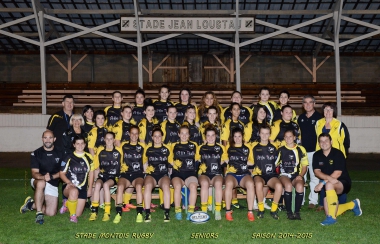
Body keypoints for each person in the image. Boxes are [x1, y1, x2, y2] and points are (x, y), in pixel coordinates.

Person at [313, 133, 362, 226]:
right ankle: (352, 204)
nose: (324, 143)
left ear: (331, 142)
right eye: (321, 141)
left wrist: (322, 182)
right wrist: (327, 179)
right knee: (329, 211)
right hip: (329, 182)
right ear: (319, 143)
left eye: (326, 141)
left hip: (342, 182)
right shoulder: (317, 155)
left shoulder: (338, 154)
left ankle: (332, 219)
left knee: (329, 184)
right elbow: (317, 172)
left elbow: (337, 174)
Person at [20, 131, 63, 224]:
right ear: (42, 139)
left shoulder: (60, 153)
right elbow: (34, 173)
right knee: (41, 183)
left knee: (51, 213)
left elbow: (63, 173)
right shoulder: (35, 153)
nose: (48, 140)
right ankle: (39, 213)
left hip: (53, 182)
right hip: (38, 180)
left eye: (50, 138)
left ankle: (31, 204)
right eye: (45, 138)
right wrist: (43, 177)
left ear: (54, 139)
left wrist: (51, 177)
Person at [113, 125, 146, 223]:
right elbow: (116, 156)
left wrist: (146, 170)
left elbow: (145, 161)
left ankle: (139, 213)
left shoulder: (142, 146)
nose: (134, 135)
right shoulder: (123, 145)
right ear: (129, 134)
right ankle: (118, 213)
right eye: (132, 133)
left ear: (139, 134)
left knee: (139, 186)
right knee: (119, 187)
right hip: (126, 174)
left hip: (138, 174)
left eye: (136, 133)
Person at [59, 135, 94, 223]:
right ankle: (72, 217)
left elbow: (91, 173)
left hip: (82, 188)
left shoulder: (89, 157)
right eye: (77, 144)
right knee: (74, 192)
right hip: (70, 187)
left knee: (79, 213)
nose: (80, 145)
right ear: (74, 145)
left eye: (82, 143)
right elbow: (61, 173)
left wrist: (89, 189)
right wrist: (68, 182)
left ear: (85, 144)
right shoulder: (69, 157)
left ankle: (66, 204)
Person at [275, 129, 308, 220]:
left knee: (300, 186)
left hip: (296, 175)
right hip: (284, 175)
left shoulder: (301, 149)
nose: (288, 138)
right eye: (286, 136)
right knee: (288, 185)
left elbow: (305, 166)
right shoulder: (281, 150)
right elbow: (275, 164)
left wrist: (300, 175)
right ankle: (289, 212)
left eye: (290, 136)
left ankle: (297, 212)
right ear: (284, 138)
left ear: (294, 137)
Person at [89, 132, 122, 222]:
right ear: (104, 140)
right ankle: (94, 211)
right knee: (97, 185)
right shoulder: (100, 150)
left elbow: (122, 164)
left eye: (111, 139)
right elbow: (96, 166)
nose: (109, 141)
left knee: (106, 185)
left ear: (114, 140)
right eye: (107, 139)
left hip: (113, 177)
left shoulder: (119, 150)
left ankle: (107, 212)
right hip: (103, 175)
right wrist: (97, 175)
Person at [251, 126, 283, 220]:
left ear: (269, 135)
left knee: (279, 186)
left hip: (271, 174)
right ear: (259, 134)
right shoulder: (254, 146)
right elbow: (250, 161)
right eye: (262, 133)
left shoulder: (275, 146)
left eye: (267, 133)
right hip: (259, 174)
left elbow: (279, 161)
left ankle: (274, 210)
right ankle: (261, 209)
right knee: (258, 184)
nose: (264, 135)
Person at [224, 128, 255, 221]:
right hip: (232, 173)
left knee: (250, 184)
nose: (237, 139)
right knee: (229, 184)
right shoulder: (229, 146)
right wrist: (228, 160)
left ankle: (250, 212)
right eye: (235, 137)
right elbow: (224, 158)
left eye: (239, 136)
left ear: (242, 137)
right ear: (232, 137)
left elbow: (252, 162)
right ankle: (228, 211)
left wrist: (243, 162)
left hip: (244, 174)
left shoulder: (247, 147)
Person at [297, 95, 322, 209]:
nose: (307, 104)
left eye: (310, 102)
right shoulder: (300, 118)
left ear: (314, 104)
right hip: (302, 152)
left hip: (314, 152)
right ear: (303, 105)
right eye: (305, 102)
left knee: (314, 176)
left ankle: (313, 200)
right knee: (301, 176)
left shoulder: (319, 118)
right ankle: (300, 200)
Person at [170, 126, 200, 221]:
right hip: (177, 173)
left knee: (193, 186)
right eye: (182, 133)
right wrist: (174, 164)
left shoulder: (194, 145)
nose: (184, 135)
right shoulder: (173, 145)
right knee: (178, 186)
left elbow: (197, 159)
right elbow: (169, 159)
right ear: (178, 134)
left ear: (189, 135)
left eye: (186, 133)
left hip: (190, 173)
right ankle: (178, 211)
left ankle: (190, 211)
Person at [198, 126, 228, 220]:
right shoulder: (200, 148)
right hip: (204, 174)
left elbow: (226, 160)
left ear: (216, 136)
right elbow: (196, 160)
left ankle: (217, 210)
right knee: (204, 183)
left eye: (213, 135)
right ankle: (204, 210)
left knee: (218, 183)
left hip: (216, 173)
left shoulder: (221, 147)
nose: (210, 138)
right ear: (205, 137)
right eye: (208, 136)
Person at [143, 128, 172, 222]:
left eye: (159, 136)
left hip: (163, 174)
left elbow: (170, 164)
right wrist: (146, 171)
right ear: (152, 137)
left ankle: (166, 213)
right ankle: (147, 213)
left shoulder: (167, 148)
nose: (157, 138)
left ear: (162, 137)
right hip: (151, 174)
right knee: (147, 186)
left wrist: (169, 175)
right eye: (155, 136)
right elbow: (144, 162)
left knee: (166, 186)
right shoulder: (148, 148)